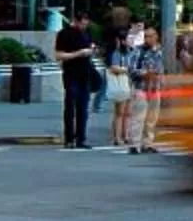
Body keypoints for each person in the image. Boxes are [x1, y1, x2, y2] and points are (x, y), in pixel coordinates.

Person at [53, 11, 101, 149]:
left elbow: (92, 47)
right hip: (71, 73)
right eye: (81, 23)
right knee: (70, 106)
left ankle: (81, 138)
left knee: (83, 108)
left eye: (86, 23)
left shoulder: (86, 33)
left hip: (85, 73)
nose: (83, 26)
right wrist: (78, 53)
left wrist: (92, 50)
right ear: (75, 21)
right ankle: (69, 138)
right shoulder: (64, 34)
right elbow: (59, 55)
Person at [109, 24, 160, 152]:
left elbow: (160, 69)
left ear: (156, 37)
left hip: (154, 88)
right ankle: (135, 144)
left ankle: (148, 143)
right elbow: (131, 69)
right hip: (141, 87)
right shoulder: (138, 51)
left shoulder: (158, 51)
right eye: (146, 36)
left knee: (152, 118)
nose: (148, 39)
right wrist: (144, 73)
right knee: (138, 117)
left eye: (151, 36)